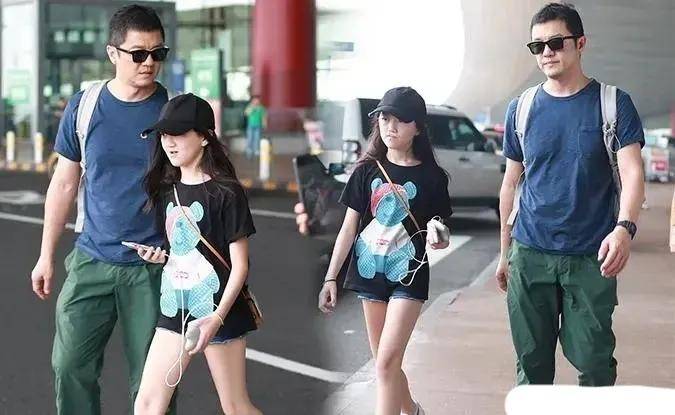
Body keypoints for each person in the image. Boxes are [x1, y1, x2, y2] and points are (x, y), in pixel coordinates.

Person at [28, 5, 176, 413]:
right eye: (138, 54)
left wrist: (179, 252)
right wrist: (45, 256)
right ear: (113, 53)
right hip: (91, 259)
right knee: (69, 364)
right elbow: (64, 183)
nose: (149, 63)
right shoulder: (85, 106)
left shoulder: (175, 110)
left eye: (158, 53)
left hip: (153, 269)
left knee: (152, 384)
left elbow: (201, 188)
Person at [495, 3, 645, 386]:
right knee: (531, 369)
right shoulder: (521, 109)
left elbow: (632, 172)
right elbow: (510, 183)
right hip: (530, 254)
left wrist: (624, 229)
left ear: (580, 43)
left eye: (556, 42)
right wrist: (504, 253)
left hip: (591, 257)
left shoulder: (613, 104)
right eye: (538, 46)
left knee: (595, 365)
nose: (546, 52)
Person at [318, 86, 452, 415]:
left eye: (400, 120)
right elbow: (348, 228)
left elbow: (439, 228)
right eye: (384, 118)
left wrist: (440, 238)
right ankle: (413, 411)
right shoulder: (366, 171)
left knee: (387, 362)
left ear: (417, 127)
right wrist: (331, 277)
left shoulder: (433, 177)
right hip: (369, 274)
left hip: (409, 275)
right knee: (385, 363)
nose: (390, 127)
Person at [133, 93, 261, 415]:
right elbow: (181, 251)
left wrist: (217, 318)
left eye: (177, 133)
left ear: (204, 137)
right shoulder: (167, 190)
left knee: (235, 407)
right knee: (147, 404)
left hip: (218, 310)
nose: (169, 143)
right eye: (164, 135)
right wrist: (160, 257)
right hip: (175, 306)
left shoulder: (226, 192)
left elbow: (240, 266)